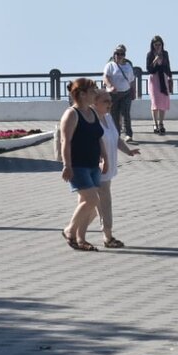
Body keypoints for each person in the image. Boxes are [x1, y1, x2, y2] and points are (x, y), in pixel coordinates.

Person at [58, 77, 107, 252]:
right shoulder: (71, 114)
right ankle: (69, 230)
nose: (96, 93)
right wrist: (67, 165)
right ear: (82, 94)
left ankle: (81, 239)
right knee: (92, 199)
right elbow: (66, 141)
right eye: (93, 90)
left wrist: (105, 158)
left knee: (89, 206)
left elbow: (98, 137)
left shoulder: (93, 112)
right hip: (77, 166)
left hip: (93, 165)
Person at [93, 88, 140, 248]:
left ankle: (73, 231)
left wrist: (128, 151)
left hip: (109, 167)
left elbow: (116, 138)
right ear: (95, 102)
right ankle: (108, 236)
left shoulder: (108, 118)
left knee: (91, 205)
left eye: (110, 101)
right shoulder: (92, 121)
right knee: (103, 204)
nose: (110, 104)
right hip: (98, 170)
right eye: (106, 101)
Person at [102, 44, 136, 142]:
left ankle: (128, 134)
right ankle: (116, 135)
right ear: (114, 54)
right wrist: (110, 86)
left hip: (126, 93)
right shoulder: (110, 65)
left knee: (126, 114)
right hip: (113, 94)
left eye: (122, 54)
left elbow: (132, 80)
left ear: (124, 55)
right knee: (114, 115)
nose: (119, 55)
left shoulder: (128, 65)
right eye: (117, 53)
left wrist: (134, 91)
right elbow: (106, 77)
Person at [146, 35, 174, 134]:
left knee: (163, 101)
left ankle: (161, 123)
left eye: (159, 44)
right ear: (152, 45)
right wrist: (155, 61)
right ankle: (155, 123)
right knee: (155, 102)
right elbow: (149, 69)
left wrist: (170, 77)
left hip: (164, 78)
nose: (157, 46)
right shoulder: (150, 54)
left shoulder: (165, 54)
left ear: (162, 45)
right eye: (155, 45)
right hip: (154, 79)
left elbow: (168, 66)